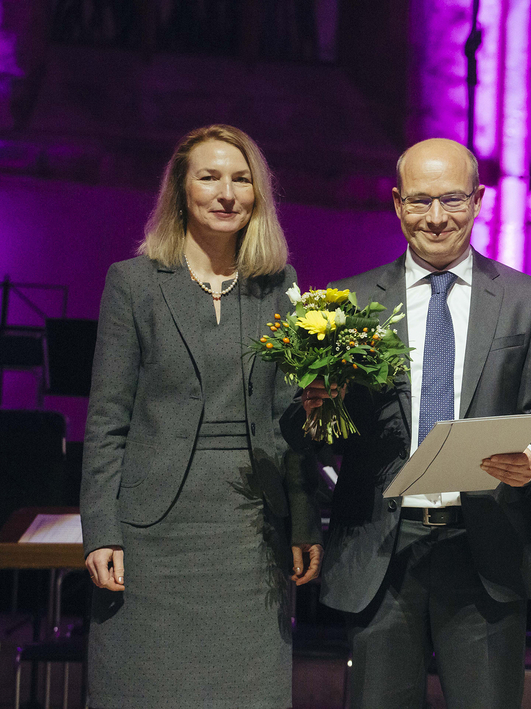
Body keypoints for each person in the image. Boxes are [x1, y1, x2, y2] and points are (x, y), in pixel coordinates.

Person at [293, 138, 531, 709]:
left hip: (484, 546)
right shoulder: (349, 304)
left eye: (451, 200)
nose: (436, 218)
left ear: (478, 200)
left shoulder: (526, 299)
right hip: (380, 551)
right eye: (419, 201)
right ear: (396, 204)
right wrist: (319, 411)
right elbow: (314, 432)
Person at [80, 124, 322, 709]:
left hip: (249, 530)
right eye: (209, 177)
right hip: (153, 529)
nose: (226, 192)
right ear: (180, 190)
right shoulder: (133, 284)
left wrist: (304, 519)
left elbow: (290, 418)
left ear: (258, 195)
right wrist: (101, 529)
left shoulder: (278, 288)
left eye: (241, 179)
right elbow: (107, 420)